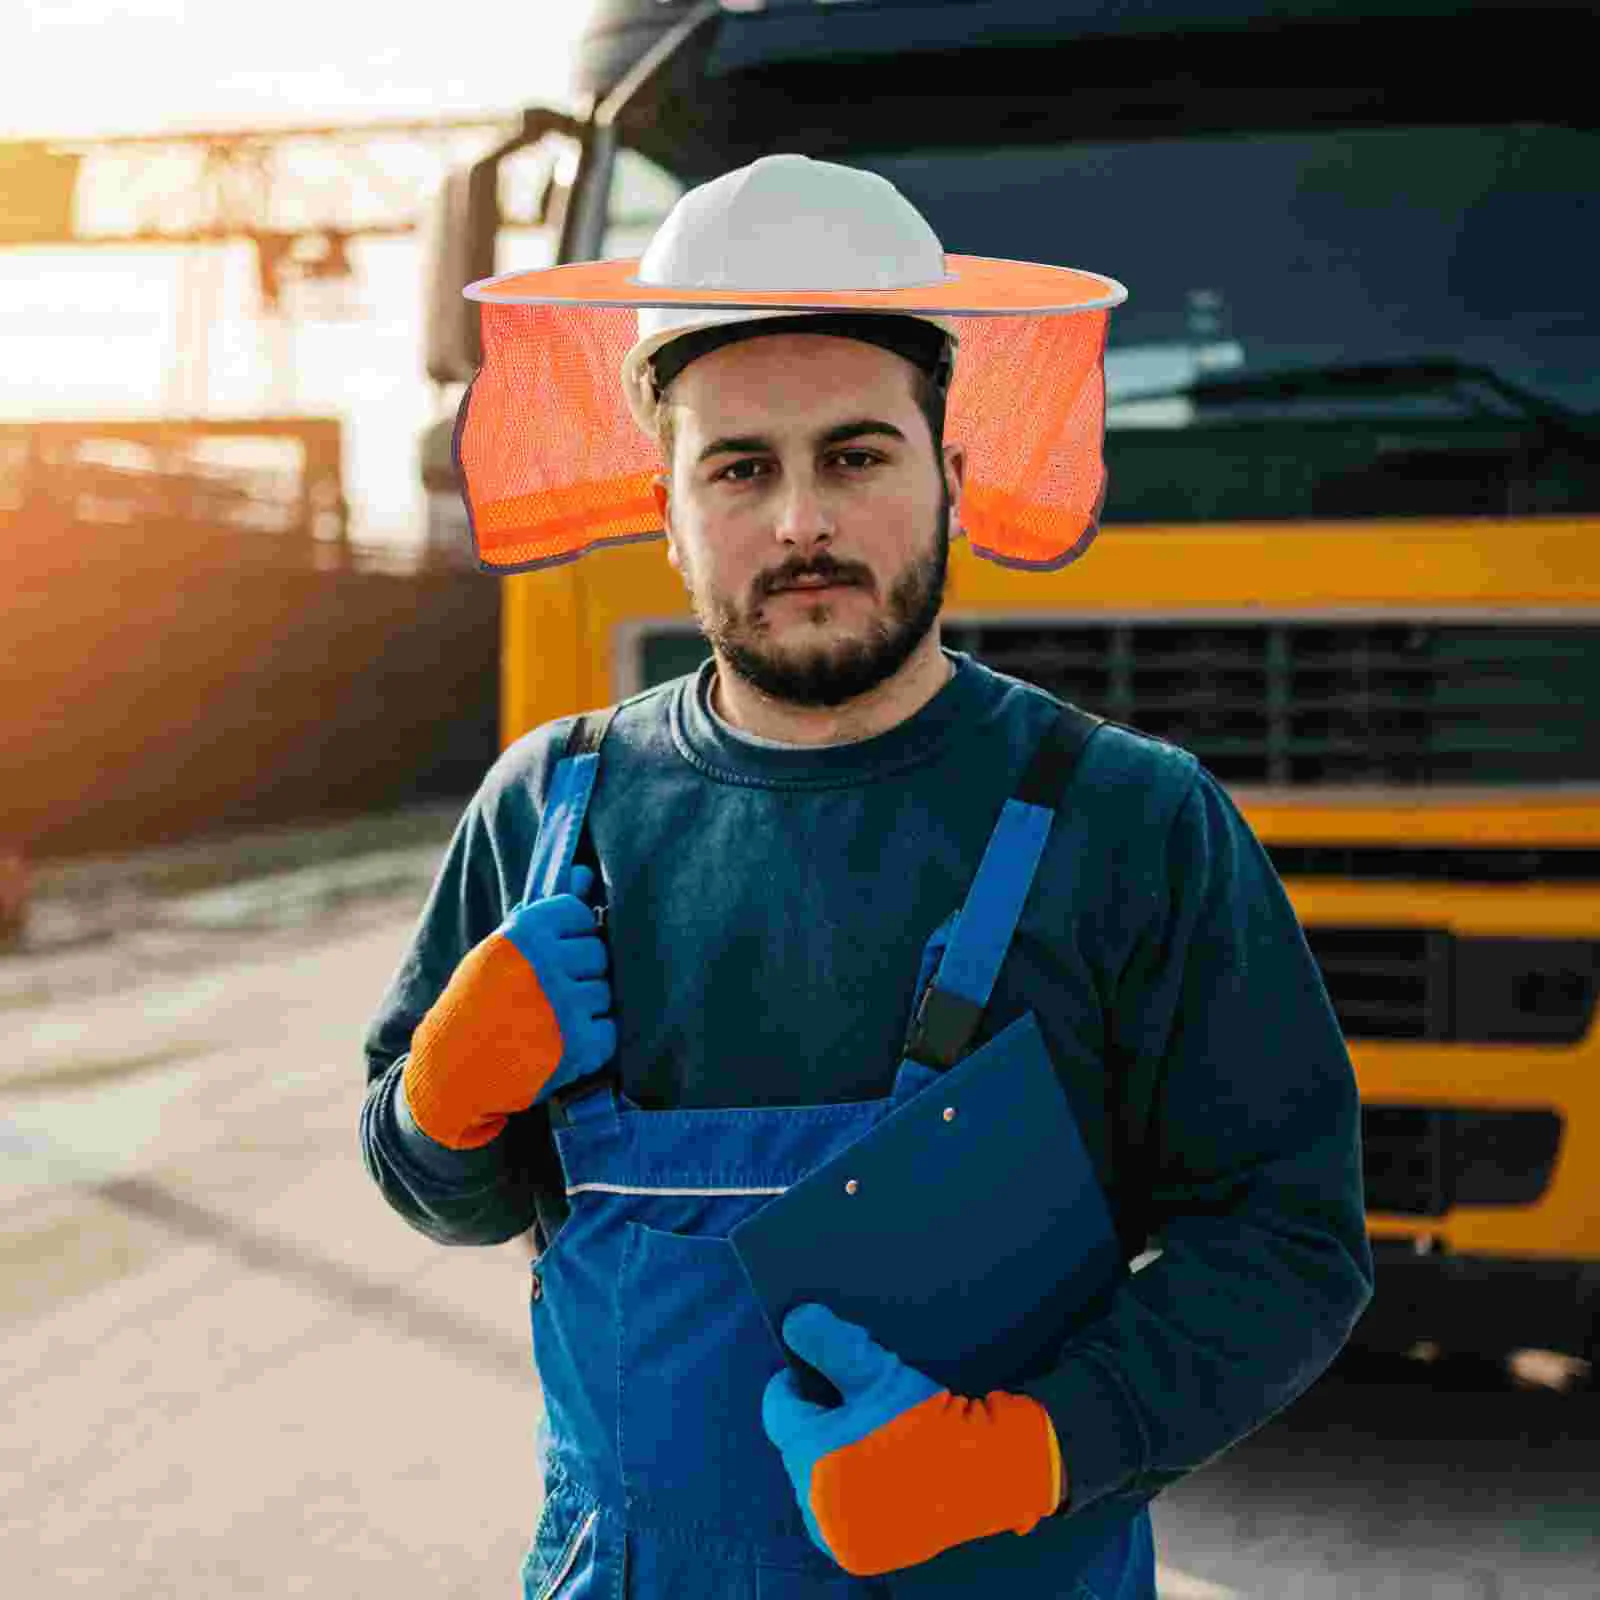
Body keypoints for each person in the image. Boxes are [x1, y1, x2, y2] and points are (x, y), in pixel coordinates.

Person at [361, 155, 1374, 1599]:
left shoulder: (1133, 823)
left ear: (949, 476)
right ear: (667, 508)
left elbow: (1287, 1246)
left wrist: (1020, 1453)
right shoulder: (545, 808)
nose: (800, 525)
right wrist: (439, 1106)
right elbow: (440, 1194)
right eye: (739, 468)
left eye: (855, 455)